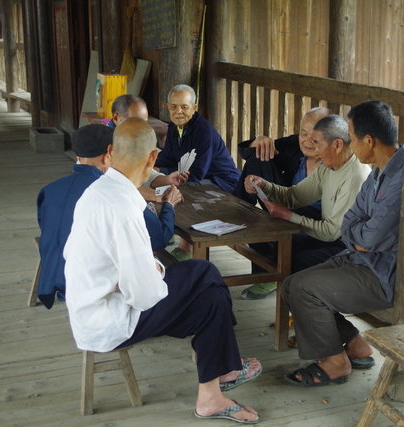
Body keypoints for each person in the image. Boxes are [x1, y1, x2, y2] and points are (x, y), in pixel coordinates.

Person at [64, 118, 262, 424]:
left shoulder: (102, 189)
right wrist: (156, 270)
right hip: (108, 317)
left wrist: (153, 270)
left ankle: (213, 390)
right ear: (153, 157)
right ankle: (225, 368)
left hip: (94, 302)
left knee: (210, 295)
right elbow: (144, 294)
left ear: (111, 152)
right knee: (206, 277)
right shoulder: (121, 208)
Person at [281, 100, 404, 387]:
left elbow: (369, 236)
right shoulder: (378, 170)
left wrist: (360, 235)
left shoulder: (401, 178)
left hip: (383, 274)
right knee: (291, 284)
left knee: (304, 289)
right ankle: (355, 346)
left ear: (369, 141)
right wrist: (359, 236)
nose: (348, 143)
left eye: (352, 137)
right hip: (360, 258)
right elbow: (352, 221)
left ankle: (335, 363)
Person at [36, 124, 182, 309]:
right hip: (91, 286)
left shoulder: (48, 191)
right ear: (110, 155)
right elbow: (159, 239)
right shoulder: (111, 191)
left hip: (52, 277)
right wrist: (168, 205)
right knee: (197, 274)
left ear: (77, 155)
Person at [241, 115, 371, 300]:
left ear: (338, 145)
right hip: (327, 237)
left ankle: (312, 314)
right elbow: (295, 196)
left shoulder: (355, 176)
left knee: (289, 261)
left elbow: (332, 233)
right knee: (266, 239)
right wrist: (264, 186)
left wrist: (289, 216)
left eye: (317, 144)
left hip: (346, 248)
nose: (315, 151)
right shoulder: (329, 165)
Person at [235, 107, 331, 299]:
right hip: (289, 201)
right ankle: (237, 211)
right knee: (259, 157)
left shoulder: (336, 163)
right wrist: (259, 140)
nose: (307, 141)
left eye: (315, 137)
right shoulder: (296, 144)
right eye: (304, 133)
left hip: (316, 223)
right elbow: (250, 152)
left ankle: (271, 275)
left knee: (271, 239)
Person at [156, 84, 241, 261]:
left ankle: (187, 247)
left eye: (184, 107)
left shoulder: (204, 132)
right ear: (167, 107)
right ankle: (167, 227)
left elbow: (197, 173)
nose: (178, 111)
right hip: (196, 176)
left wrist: (169, 179)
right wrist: (149, 170)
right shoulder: (174, 127)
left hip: (221, 182)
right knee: (155, 179)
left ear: (194, 108)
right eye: (173, 106)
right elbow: (167, 158)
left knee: (181, 191)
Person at [104, 94, 189, 202]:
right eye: (136, 121)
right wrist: (155, 195)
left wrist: (167, 179)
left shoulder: (136, 136)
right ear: (116, 118)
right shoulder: (103, 144)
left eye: (145, 122)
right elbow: (116, 183)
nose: (142, 128)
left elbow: (144, 173)